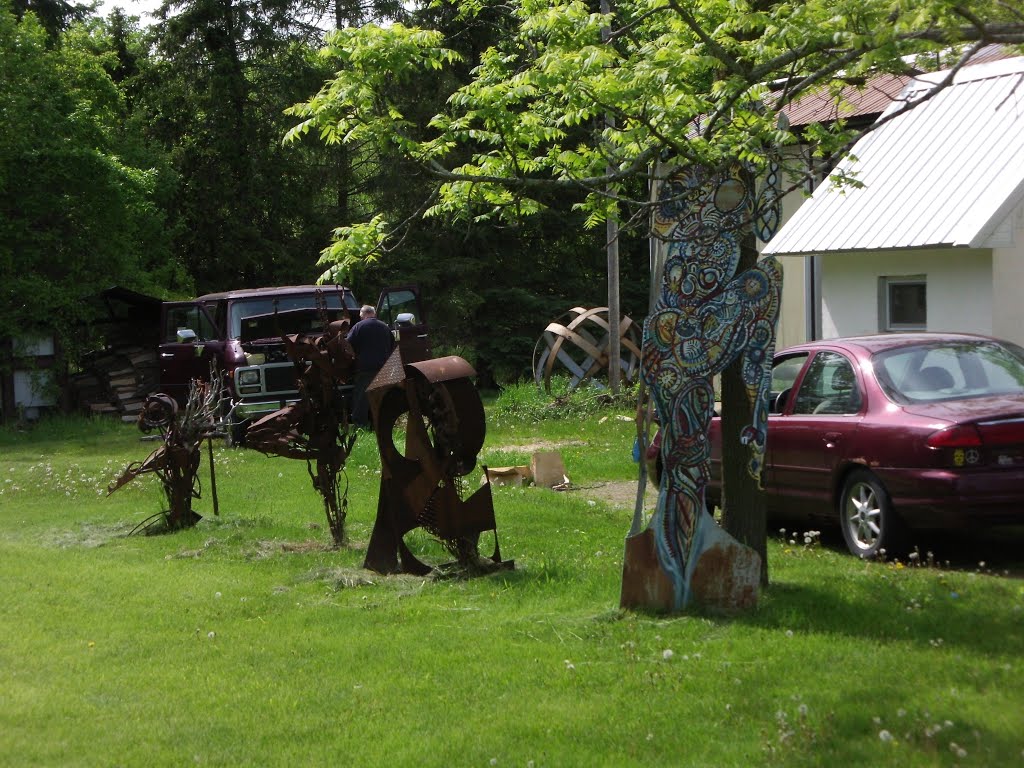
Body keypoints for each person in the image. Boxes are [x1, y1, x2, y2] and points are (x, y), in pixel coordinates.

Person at [346, 305, 393, 428]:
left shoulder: (358, 327)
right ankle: (383, 424)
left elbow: (347, 345)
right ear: (373, 314)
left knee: (362, 398)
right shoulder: (385, 327)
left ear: (362, 315)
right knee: (382, 398)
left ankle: (359, 424)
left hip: (366, 368)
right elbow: (392, 346)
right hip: (384, 368)